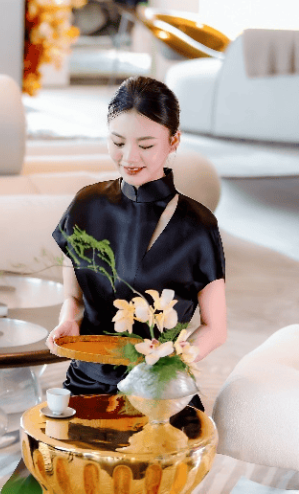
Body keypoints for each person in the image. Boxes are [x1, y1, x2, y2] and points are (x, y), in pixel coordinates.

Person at [45, 76, 227, 409]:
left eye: (145, 146)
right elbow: (74, 297)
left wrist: (169, 362)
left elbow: (215, 328)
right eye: (118, 142)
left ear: (173, 141)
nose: (129, 157)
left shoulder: (197, 225)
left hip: (159, 391)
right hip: (87, 381)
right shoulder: (86, 204)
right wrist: (69, 320)